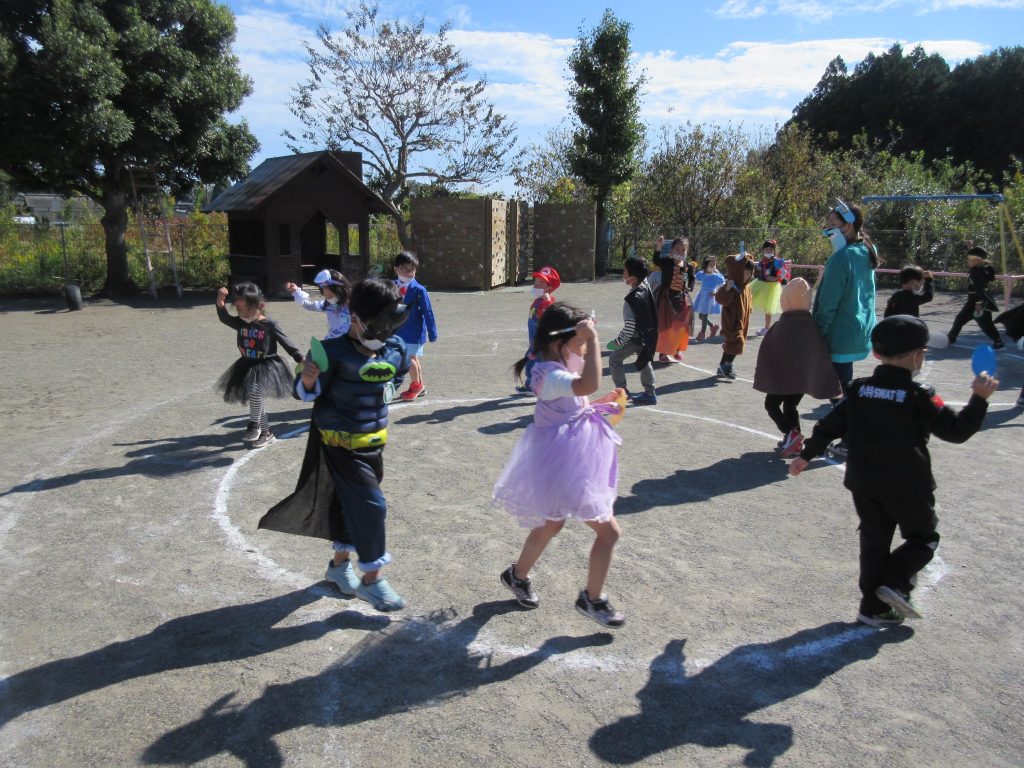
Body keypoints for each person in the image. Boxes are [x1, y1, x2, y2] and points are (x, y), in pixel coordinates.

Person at [788, 315, 998, 627]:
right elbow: (955, 431)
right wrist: (979, 400)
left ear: (876, 353)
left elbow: (829, 426)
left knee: (874, 542)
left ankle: (872, 608)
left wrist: (806, 455)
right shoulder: (920, 395)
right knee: (924, 539)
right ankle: (895, 582)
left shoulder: (859, 389)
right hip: (908, 486)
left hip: (864, 482)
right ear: (918, 357)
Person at [259, 278, 411, 612]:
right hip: (341, 447)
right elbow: (303, 392)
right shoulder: (331, 353)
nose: (384, 333)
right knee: (372, 506)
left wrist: (390, 387)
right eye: (377, 324)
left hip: (374, 445)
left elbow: (399, 370)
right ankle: (372, 581)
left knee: (349, 505)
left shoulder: (395, 348)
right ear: (355, 318)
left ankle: (339, 567)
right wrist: (307, 380)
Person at [493, 302, 627, 628]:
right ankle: (592, 599)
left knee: (552, 523)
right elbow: (586, 385)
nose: (585, 349)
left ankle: (516, 575)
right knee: (608, 532)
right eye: (580, 343)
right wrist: (594, 340)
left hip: (570, 460)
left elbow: (577, 400)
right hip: (563, 462)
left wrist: (598, 404)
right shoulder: (549, 374)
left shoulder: (558, 368)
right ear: (559, 343)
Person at [812, 199, 879, 459]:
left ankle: (852, 438)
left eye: (832, 223)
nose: (828, 228)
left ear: (848, 225)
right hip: (858, 329)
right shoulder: (867, 250)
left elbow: (828, 303)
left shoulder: (842, 258)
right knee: (841, 384)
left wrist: (816, 333)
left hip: (839, 334)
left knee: (838, 389)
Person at [753, 278, 842, 457]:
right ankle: (794, 442)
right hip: (801, 380)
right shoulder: (812, 326)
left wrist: (767, 373)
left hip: (783, 380)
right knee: (791, 406)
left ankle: (790, 433)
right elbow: (818, 352)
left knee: (771, 405)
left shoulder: (782, 326)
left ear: (785, 299)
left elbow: (769, 351)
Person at [215, 283, 304, 448]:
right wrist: (220, 301)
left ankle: (254, 424)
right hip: (246, 364)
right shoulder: (240, 322)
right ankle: (267, 432)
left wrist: (300, 358)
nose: (244, 313)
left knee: (255, 391)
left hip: (266, 365)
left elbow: (287, 343)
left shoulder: (270, 324)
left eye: (248, 309)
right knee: (257, 399)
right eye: (239, 309)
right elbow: (224, 318)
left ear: (260, 306)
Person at [607, 256, 659, 406]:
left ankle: (622, 391)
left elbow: (630, 327)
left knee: (614, 359)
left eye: (625, 271)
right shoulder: (646, 287)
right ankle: (650, 393)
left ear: (632, 278)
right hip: (647, 335)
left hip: (635, 338)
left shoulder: (631, 300)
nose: (623, 273)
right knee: (644, 361)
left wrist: (618, 341)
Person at [393, 252, 438, 400]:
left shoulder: (419, 290)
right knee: (413, 357)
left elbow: (428, 311)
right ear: (396, 269)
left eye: (411, 269)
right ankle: (420, 385)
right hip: (398, 330)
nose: (408, 272)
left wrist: (432, 332)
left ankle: (415, 386)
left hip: (414, 330)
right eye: (404, 269)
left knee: (408, 358)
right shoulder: (391, 285)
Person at [947, 246, 1004, 348]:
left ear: (977, 260)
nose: (968, 261)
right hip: (977, 300)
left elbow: (979, 288)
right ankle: (951, 337)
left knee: (986, 324)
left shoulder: (975, 272)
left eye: (970, 259)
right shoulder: (984, 269)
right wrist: (971, 248)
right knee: (960, 319)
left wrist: (978, 303)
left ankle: (998, 342)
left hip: (977, 300)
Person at [652, 236, 695, 363]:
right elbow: (656, 260)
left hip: (681, 297)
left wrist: (690, 286)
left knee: (681, 325)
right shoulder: (667, 262)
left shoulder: (688, 266)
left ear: (686, 252)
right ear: (671, 251)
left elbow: (692, 278)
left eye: (683, 250)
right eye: (677, 249)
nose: (680, 252)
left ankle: (676, 349)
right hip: (667, 298)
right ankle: (663, 353)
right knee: (667, 325)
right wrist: (659, 247)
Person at [518, 265, 560, 394]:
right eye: (535, 281)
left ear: (549, 288)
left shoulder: (547, 304)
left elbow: (550, 319)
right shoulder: (538, 301)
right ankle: (535, 385)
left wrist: (547, 302)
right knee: (532, 362)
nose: (536, 285)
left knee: (536, 364)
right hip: (535, 341)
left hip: (540, 343)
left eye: (540, 283)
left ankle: (534, 386)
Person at [713, 251, 755, 379]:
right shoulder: (732, 285)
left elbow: (749, 301)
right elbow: (720, 298)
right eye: (744, 273)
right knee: (737, 343)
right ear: (737, 272)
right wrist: (727, 288)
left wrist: (749, 310)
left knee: (732, 344)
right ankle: (727, 366)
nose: (746, 276)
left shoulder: (746, 287)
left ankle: (723, 366)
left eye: (749, 273)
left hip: (742, 320)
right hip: (731, 320)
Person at [285, 268, 351, 339]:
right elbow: (309, 305)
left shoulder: (353, 306)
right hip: (331, 342)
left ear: (341, 290)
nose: (330, 300)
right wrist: (296, 291)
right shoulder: (328, 305)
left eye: (331, 296)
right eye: (326, 297)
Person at [750, 239, 786, 335]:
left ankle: (766, 328)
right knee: (748, 299)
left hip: (771, 287)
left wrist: (775, 278)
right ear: (763, 250)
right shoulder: (762, 261)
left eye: (770, 249)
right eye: (766, 249)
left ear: (774, 250)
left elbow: (784, 273)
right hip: (759, 283)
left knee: (768, 308)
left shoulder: (777, 261)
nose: (768, 251)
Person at [692, 256, 725, 341]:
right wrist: (692, 269)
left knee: (704, 315)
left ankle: (702, 333)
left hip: (710, 296)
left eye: (714, 264)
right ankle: (713, 326)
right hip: (702, 295)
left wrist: (716, 292)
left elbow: (723, 284)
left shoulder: (716, 276)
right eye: (710, 264)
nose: (712, 266)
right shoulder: (702, 274)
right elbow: (697, 279)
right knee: (701, 316)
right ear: (706, 265)